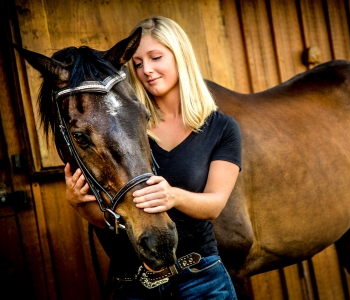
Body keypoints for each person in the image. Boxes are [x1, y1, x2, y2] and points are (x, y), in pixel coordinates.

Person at [64, 16, 242, 299]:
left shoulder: (222, 128)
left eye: (156, 57)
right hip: (133, 284)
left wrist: (173, 196)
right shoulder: (122, 127)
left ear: (180, 56)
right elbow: (113, 218)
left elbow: (214, 205)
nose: (147, 70)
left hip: (201, 278)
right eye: (137, 63)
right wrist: (80, 205)